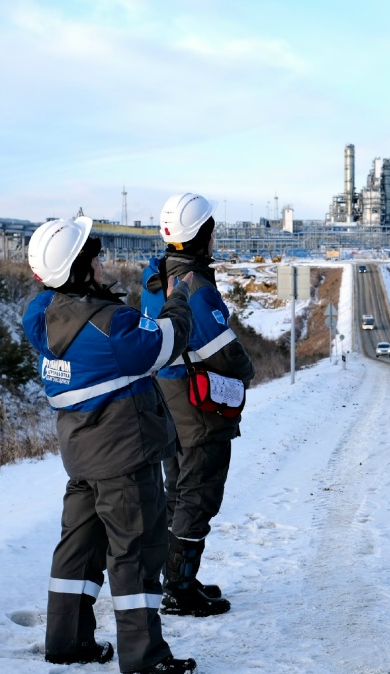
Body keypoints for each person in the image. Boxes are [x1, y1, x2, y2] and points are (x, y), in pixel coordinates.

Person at [22, 215, 198, 674]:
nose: (102, 264)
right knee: (135, 550)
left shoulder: (39, 315)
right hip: (124, 457)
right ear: (79, 269)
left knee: (77, 550)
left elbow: (71, 307)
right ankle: (143, 655)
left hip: (81, 455)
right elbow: (166, 341)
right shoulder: (111, 327)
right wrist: (180, 297)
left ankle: (68, 642)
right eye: (94, 258)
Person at [141, 192, 255, 617]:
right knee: (199, 494)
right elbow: (226, 354)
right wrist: (247, 373)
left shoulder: (154, 277)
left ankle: (174, 577)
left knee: (178, 491)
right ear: (203, 235)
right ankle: (180, 590)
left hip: (164, 396)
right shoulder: (198, 288)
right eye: (212, 230)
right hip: (196, 405)